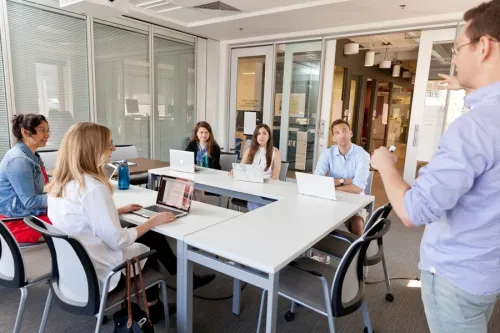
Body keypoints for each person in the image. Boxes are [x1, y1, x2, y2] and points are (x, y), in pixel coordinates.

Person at [370, 2, 500, 332]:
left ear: (483, 46)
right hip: (487, 271)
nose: (454, 59)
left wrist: (385, 166)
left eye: (457, 49)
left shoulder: (473, 129)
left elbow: (414, 211)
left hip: (454, 276)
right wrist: (469, 86)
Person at [46, 122, 214, 323]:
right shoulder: (94, 188)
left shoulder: (61, 184)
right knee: (147, 242)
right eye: (109, 144)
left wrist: (116, 211)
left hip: (73, 273)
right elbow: (118, 241)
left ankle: (176, 285)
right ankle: (155, 306)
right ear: (93, 148)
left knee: (149, 234)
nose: (114, 149)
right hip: (101, 274)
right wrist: (152, 221)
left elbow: (80, 218)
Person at [0, 114, 51, 243]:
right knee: (71, 220)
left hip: (25, 212)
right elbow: (30, 201)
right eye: (42, 130)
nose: (47, 135)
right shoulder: (19, 160)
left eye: (47, 130)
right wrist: (61, 199)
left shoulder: (30, 154)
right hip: (16, 220)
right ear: (25, 132)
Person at [314, 119, 370, 236]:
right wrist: (343, 181)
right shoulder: (327, 154)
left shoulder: (362, 155)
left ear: (351, 133)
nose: (342, 135)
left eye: (344, 131)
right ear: (334, 137)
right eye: (337, 133)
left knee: (357, 226)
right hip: (331, 198)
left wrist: (330, 186)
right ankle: (322, 252)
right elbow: (317, 180)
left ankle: (356, 252)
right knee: (315, 220)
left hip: (355, 199)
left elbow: (358, 188)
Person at [233, 124, 281, 211]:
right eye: (258, 134)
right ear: (255, 136)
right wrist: (234, 170)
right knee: (253, 197)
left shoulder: (275, 152)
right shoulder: (250, 150)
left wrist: (262, 183)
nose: (261, 136)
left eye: (264, 133)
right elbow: (241, 167)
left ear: (269, 136)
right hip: (253, 185)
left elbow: (275, 176)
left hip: (268, 187)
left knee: (254, 200)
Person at [185, 121, 221, 202]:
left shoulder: (215, 148)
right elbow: (186, 159)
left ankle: (195, 207)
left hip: (209, 178)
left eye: (206, 132)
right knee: (187, 185)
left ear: (209, 134)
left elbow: (215, 167)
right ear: (196, 133)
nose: (204, 135)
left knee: (194, 187)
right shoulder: (192, 145)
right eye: (201, 132)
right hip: (194, 175)